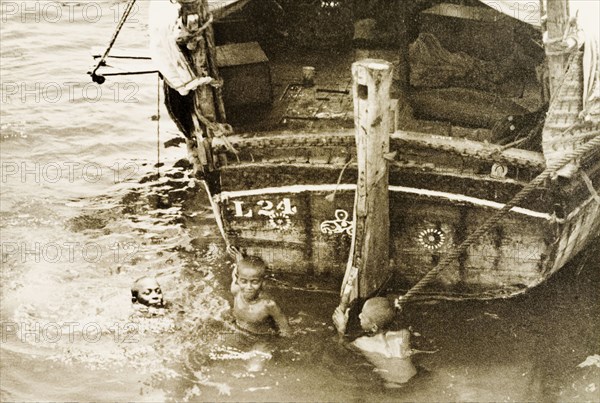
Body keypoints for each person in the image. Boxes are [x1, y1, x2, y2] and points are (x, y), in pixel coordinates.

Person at [332, 297, 417, 387]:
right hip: (413, 377)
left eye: (363, 316)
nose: (359, 316)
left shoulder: (362, 343)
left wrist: (341, 328)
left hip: (393, 384)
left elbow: (342, 348)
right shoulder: (403, 334)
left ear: (374, 328)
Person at [230, 255, 292, 337]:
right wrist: (238, 258)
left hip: (261, 337)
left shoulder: (268, 305)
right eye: (244, 281)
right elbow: (235, 273)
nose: (249, 287)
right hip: (237, 329)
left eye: (254, 282)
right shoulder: (236, 291)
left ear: (263, 281)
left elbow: (285, 330)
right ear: (238, 280)